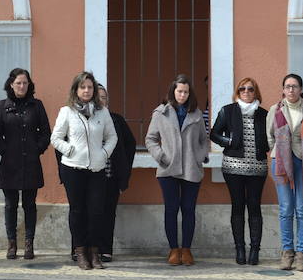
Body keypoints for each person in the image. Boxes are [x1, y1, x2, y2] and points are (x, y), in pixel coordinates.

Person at [51, 71, 117, 270]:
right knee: (77, 211)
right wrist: (70, 150)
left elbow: (112, 137)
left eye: (90, 87)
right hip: (73, 169)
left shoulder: (102, 112)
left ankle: (94, 252)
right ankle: (80, 252)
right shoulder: (67, 111)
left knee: (96, 211)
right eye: (83, 87)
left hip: (97, 169)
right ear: (76, 90)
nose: (86, 90)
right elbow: (55, 138)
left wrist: (103, 154)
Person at [145, 74, 209, 266]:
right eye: (179, 91)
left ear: (190, 93)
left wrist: (199, 157)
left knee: (188, 209)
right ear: (173, 91)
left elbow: (204, 140)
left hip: (191, 168)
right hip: (168, 169)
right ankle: (174, 249)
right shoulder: (161, 113)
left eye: (186, 92)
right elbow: (150, 139)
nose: (182, 95)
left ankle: (186, 249)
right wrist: (161, 156)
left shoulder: (196, 114)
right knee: (171, 209)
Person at [0, 68, 51, 260]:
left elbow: (46, 132)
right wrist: (5, 151)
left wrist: (37, 149)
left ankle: (29, 243)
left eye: (25, 83)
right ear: (11, 84)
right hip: (9, 164)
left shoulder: (36, 105)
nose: (22, 86)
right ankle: (11, 243)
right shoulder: (2, 106)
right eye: (18, 83)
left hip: (31, 163)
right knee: (10, 205)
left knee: (29, 205)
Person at [210, 77, 269, 265]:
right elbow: (214, 133)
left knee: (254, 206)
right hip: (233, 167)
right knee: (237, 206)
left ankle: (255, 251)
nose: (246, 92)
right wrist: (229, 141)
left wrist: (266, 146)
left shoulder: (264, 114)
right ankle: (240, 250)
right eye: (242, 89)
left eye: (250, 89)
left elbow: (271, 137)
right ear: (237, 91)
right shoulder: (228, 111)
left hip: (258, 168)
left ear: (255, 92)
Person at [267, 73, 303, 273]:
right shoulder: (276, 110)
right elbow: (269, 136)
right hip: (281, 162)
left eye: (295, 86)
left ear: (301, 89)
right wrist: (279, 152)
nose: (291, 90)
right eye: (288, 86)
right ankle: (287, 252)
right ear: (283, 89)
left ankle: (301, 254)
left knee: (302, 209)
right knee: (286, 209)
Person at [96, 84, 136, 262]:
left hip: (110, 177)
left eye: (104, 97)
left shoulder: (117, 120)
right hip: (89, 176)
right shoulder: (83, 119)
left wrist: (124, 173)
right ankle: (84, 248)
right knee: (87, 213)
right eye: (97, 97)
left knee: (108, 213)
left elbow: (130, 145)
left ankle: (105, 249)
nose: (101, 101)